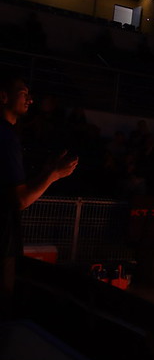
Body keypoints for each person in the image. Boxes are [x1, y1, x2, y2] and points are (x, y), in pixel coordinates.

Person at [1, 70, 78, 318]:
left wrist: (45, 172)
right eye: (23, 93)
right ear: (3, 97)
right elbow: (20, 199)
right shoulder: (6, 137)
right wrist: (53, 175)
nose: (30, 100)